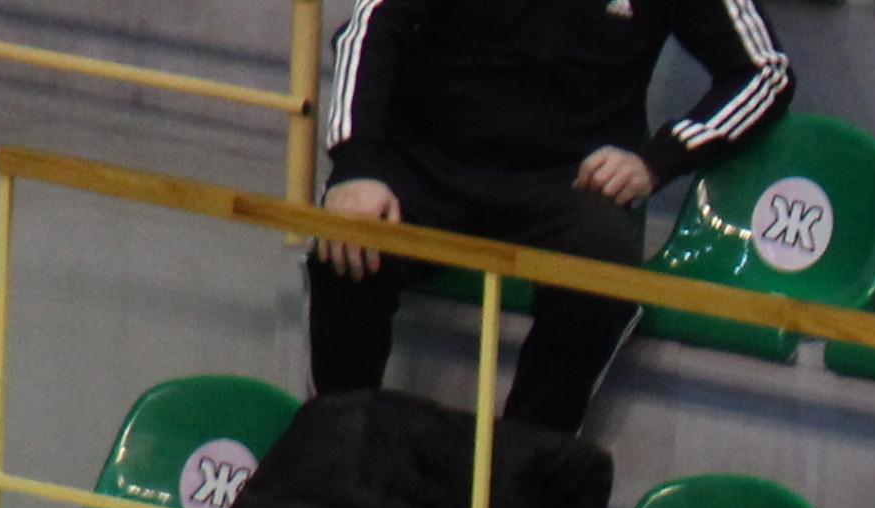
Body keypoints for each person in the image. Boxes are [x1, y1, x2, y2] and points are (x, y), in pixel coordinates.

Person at [309, 0, 794, 435]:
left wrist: (655, 161)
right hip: (426, 165)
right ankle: (333, 457)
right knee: (346, 248)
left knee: (601, 271)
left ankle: (521, 477)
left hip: (569, 183)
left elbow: (765, 73)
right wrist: (355, 166)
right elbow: (369, 28)